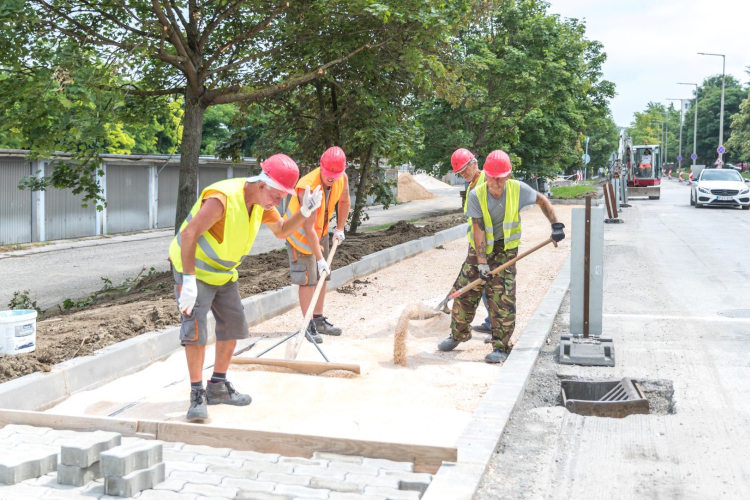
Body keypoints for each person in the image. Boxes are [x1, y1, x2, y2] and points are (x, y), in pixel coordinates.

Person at [169, 154, 324, 422]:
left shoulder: (262, 203)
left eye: (283, 197)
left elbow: (283, 229)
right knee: (195, 329)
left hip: (224, 273)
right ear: (262, 184)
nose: (279, 202)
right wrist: (189, 280)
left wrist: (305, 212)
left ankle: (217, 387)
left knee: (233, 324)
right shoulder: (223, 199)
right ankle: (197, 395)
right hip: (194, 269)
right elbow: (188, 234)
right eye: (277, 195)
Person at [438, 150, 565, 363]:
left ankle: (501, 347)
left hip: (506, 250)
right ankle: (459, 334)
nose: (496, 183)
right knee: (464, 292)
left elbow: (542, 200)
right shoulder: (475, 195)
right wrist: (481, 264)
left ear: (508, 175)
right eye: (492, 178)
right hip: (479, 249)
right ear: (485, 174)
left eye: (501, 178)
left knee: (502, 297)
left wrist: (556, 225)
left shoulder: (518, 189)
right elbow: (478, 229)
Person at [285, 146, 351, 341]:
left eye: (335, 174)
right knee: (308, 279)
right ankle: (307, 324)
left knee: (323, 276)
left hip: (319, 232)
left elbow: (344, 201)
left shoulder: (342, 178)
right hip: (300, 234)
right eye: (328, 173)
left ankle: (318, 319)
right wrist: (320, 258)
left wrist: (339, 227)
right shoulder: (307, 187)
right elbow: (308, 227)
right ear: (321, 166)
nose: (331, 177)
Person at [450, 148, 492, 335]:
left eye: (465, 169)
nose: (463, 174)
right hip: (476, 245)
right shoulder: (472, 184)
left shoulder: (487, 182)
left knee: (487, 284)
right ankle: (491, 322)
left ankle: (494, 325)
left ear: (474, 163)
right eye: (459, 173)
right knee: (482, 283)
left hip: (488, 245)